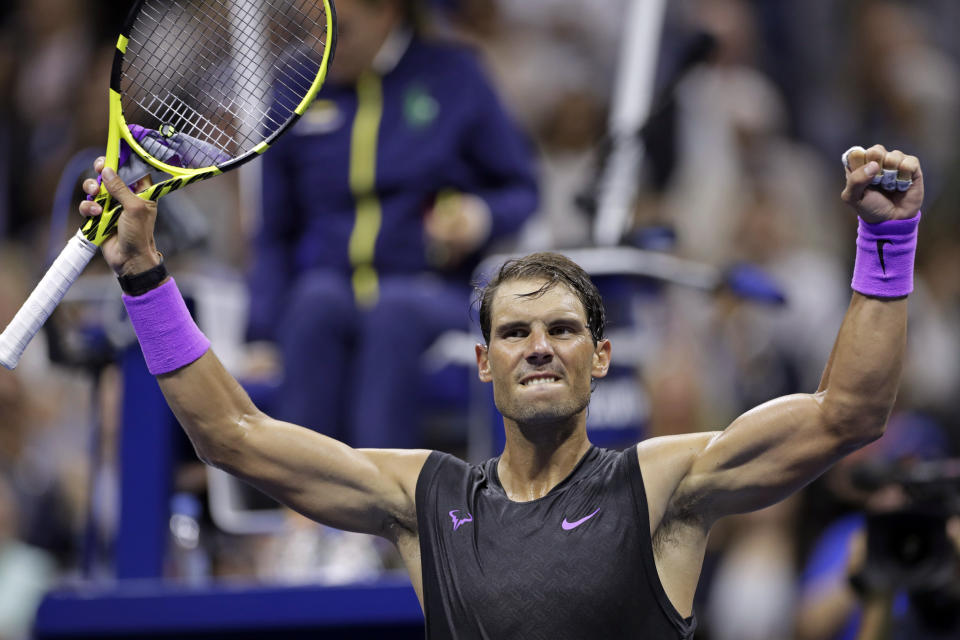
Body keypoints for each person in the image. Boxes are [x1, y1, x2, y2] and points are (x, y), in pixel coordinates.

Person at [80, 141, 921, 638]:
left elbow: (848, 414)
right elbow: (232, 435)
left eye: (562, 331)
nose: (539, 348)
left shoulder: (664, 486)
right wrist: (147, 278)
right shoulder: (422, 496)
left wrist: (888, 244)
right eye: (515, 333)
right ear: (485, 365)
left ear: (601, 359)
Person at [245, 0, 538, 448]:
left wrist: (477, 217)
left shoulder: (455, 75)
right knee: (312, 304)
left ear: (388, 13)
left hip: (432, 287)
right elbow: (275, 231)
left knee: (393, 312)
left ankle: (382, 506)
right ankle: (300, 508)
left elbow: (522, 190)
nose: (327, 46)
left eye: (344, 30)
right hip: (327, 285)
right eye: (318, 30)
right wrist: (262, 332)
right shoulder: (296, 86)